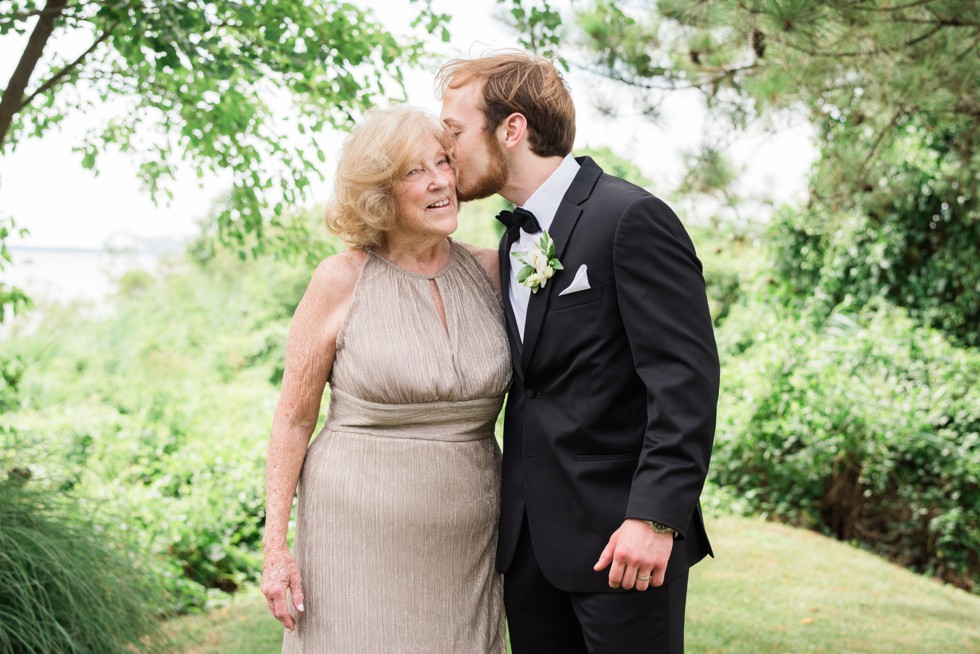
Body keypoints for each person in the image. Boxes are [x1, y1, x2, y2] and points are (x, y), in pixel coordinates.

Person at [438, 52, 720, 653]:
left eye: (454, 131)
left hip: (624, 545)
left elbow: (684, 381)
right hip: (530, 550)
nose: (445, 148)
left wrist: (654, 517)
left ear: (511, 129)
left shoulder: (630, 218)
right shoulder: (514, 236)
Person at [260, 105, 510, 653]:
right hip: (352, 536)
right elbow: (294, 418)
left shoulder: (495, 272)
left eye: (443, 161)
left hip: (468, 542)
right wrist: (275, 549)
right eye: (414, 171)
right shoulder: (339, 280)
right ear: (379, 192)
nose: (441, 179)